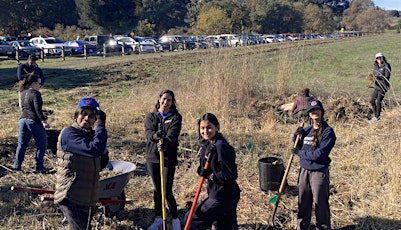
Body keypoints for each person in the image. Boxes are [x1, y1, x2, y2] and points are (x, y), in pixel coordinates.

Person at [54, 97, 108, 230]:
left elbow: (100, 164)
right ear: (76, 115)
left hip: (87, 196)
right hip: (71, 194)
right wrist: (101, 126)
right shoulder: (69, 134)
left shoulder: (92, 136)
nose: (86, 118)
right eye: (83, 114)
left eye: (91, 116)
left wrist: (103, 148)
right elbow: (94, 150)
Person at [188, 113, 241, 230]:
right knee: (226, 226)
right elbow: (204, 168)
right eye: (202, 128)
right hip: (220, 193)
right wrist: (202, 170)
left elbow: (230, 175)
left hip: (223, 196)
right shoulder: (207, 144)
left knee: (192, 219)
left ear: (217, 127)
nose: (205, 131)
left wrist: (210, 175)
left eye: (209, 127)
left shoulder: (221, 146)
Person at [292, 100, 336, 230]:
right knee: (303, 201)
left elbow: (320, 154)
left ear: (322, 112)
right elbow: (298, 145)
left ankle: (323, 227)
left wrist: (300, 153)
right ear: (309, 114)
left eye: (317, 110)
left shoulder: (328, 132)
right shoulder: (307, 130)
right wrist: (296, 136)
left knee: (320, 202)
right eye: (312, 111)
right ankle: (302, 226)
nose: (314, 112)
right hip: (304, 170)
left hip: (319, 171)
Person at [145, 89, 182, 230]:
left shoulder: (175, 117)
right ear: (159, 98)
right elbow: (149, 133)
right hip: (152, 157)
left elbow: (173, 135)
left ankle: (175, 218)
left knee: (166, 190)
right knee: (157, 189)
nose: (165, 102)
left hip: (168, 158)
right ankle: (159, 218)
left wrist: (164, 143)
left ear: (172, 102)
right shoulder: (151, 116)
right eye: (164, 99)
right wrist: (156, 136)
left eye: (169, 100)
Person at [14, 73, 50, 172]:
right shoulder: (35, 93)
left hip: (23, 120)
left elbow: (24, 107)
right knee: (41, 144)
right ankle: (39, 167)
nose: (40, 85)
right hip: (33, 121)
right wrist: (44, 121)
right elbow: (37, 109)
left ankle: (16, 166)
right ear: (33, 83)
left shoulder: (23, 93)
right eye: (39, 83)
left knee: (21, 145)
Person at [369, 52, 391, 123]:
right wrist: (372, 77)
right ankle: (376, 115)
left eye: (380, 57)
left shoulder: (386, 66)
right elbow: (374, 74)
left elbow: (387, 76)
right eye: (377, 58)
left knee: (378, 101)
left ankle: (377, 117)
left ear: (383, 58)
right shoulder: (375, 66)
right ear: (376, 59)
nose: (379, 59)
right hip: (377, 86)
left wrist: (378, 77)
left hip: (383, 86)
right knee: (372, 101)